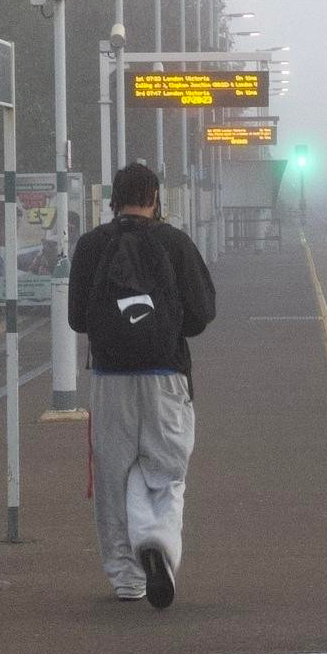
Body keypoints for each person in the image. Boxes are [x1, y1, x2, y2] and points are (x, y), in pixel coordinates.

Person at [69, 162, 216, 608]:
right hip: (165, 377)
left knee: (114, 480)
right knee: (166, 474)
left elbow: (78, 318)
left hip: (110, 380)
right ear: (155, 198)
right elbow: (201, 315)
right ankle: (157, 544)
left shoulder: (92, 246)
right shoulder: (175, 243)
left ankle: (127, 581)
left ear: (113, 200)